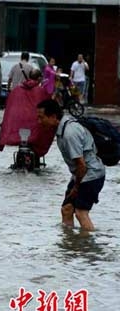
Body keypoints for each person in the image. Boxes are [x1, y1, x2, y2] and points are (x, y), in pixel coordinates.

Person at [36, 99, 105, 231]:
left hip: (91, 175)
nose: (39, 122)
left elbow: (81, 165)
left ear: (53, 117)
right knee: (67, 209)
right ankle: (70, 246)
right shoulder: (63, 126)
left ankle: (87, 246)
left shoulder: (69, 133)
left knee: (80, 212)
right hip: (80, 175)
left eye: (41, 117)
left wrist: (76, 188)